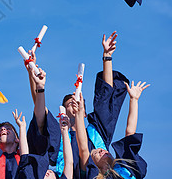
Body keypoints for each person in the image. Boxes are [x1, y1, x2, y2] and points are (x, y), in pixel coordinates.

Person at [53, 31, 130, 179]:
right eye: (69, 103)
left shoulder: (97, 132)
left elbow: (105, 96)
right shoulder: (58, 139)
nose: (74, 104)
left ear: (85, 113)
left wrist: (107, 57)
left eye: (77, 103)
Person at [73, 79, 149, 179]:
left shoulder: (125, 168)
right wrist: (79, 113)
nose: (101, 151)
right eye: (96, 153)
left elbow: (130, 133)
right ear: (92, 162)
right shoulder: (91, 175)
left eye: (101, 150)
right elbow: (83, 148)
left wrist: (133, 100)